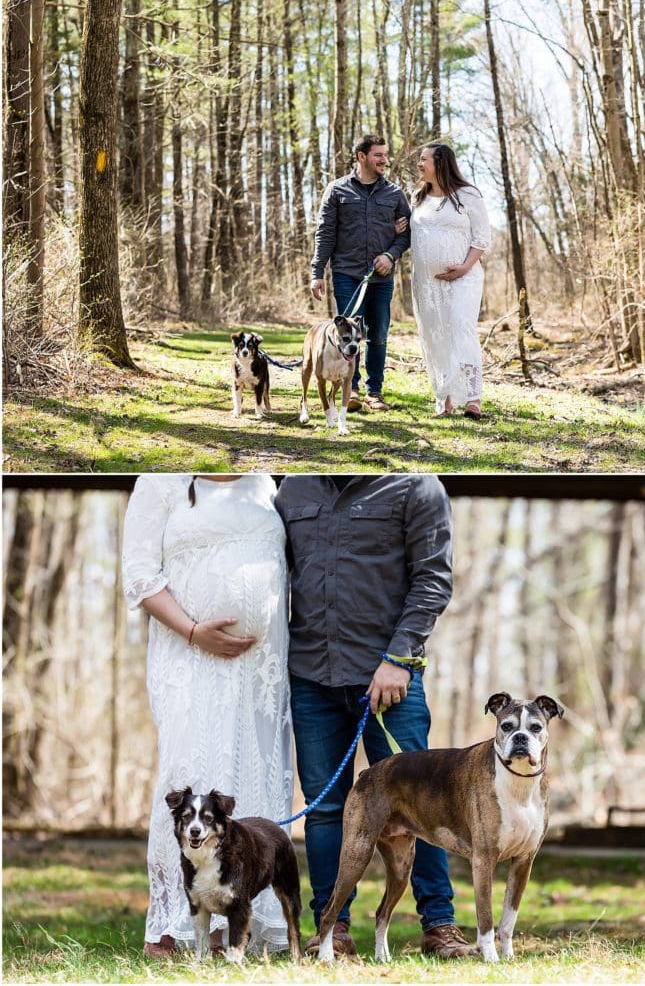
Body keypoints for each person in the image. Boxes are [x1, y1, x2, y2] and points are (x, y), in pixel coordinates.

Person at [274, 474, 472, 960]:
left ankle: (440, 927)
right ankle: (332, 929)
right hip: (311, 676)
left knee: (426, 806)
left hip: (391, 681)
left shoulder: (416, 486)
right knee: (325, 809)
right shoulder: (291, 490)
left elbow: (434, 577)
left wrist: (399, 658)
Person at [122, 474, 294, 958]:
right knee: (187, 776)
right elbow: (138, 576)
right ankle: (175, 924)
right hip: (190, 659)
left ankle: (244, 926)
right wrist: (195, 631)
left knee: (252, 782)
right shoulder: (161, 481)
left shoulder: (267, 479)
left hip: (260, 674)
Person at [310, 134, 411, 413]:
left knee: (377, 332)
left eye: (385, 155)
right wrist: (317, 272)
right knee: (349, 332)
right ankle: (350, 389)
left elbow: (407, 235)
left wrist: (390, 255)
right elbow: (325, 233)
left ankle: (374, 392)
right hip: (346, 273)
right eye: (378, 155)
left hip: (381, 277)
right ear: (361, 156)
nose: (384, 160)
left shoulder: (395, 194)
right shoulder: (337, 190)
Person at [409, 142, 491, 418]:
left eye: (424, 160)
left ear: (440, 163)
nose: (419, 164)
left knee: (460, 326)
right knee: (435, 335)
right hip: (427, 283)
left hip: (463, 278)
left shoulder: (467, 195)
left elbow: (482, 238)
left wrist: (464, 267)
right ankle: (444, 398)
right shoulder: (418, 197)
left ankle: (472, 398)